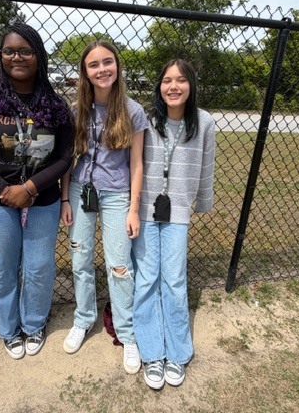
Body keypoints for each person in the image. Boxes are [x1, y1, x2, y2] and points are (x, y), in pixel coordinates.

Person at [0, 23, 73, 360]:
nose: (16, 57)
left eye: (25, 50)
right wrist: (6, 190)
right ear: (1, 56)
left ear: (38, 57)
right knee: (3, 267)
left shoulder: (56, 105)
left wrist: (30, 187)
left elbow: (66, 156)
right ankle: (9, 330)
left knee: (39, 266)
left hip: (43, 199)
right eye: (9, 50)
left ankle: (34, 324)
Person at [60, 40, 149, 374]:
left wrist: (133, 208)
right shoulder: (76, 109)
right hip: (82, 191)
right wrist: (66, 197)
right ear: (85, 71)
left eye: (107, 62)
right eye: (94, 65)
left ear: (117, 66)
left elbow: (137, 163)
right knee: (80, 257)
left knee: (119, 265)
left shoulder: (132, 110)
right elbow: (69, 159)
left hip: (116, 196)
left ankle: (126, 333)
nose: (102, 70)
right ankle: (84, 318)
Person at [132, 59, 215, 389]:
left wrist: (203, 202)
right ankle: (152, 352)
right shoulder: (147, 120)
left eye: (181, 80)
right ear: (159, 86)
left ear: (191, 85)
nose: (173, 86)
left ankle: (178, 353)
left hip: (178, 211)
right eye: (167, 80)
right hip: (145, 209)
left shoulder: (204, 122)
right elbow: (134, 163)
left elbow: (207, 165)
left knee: (175, 279)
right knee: (147, 277)